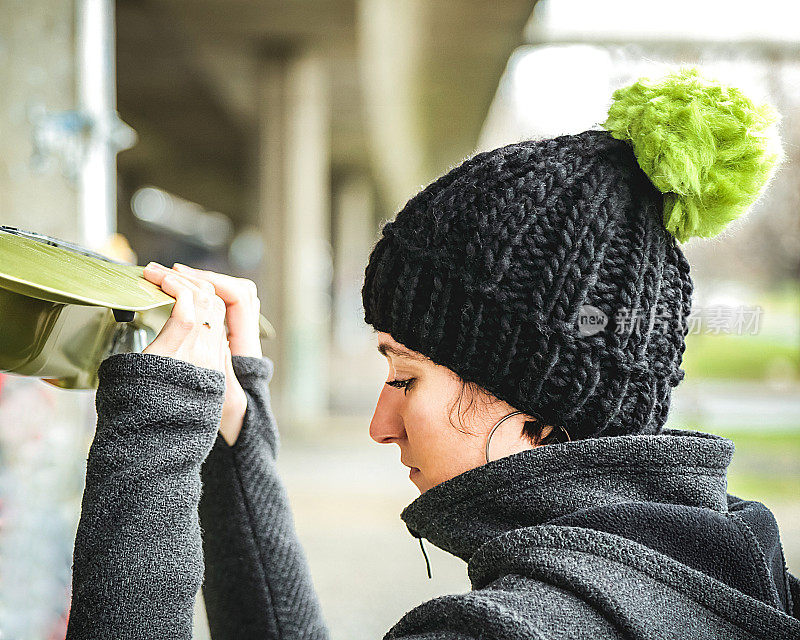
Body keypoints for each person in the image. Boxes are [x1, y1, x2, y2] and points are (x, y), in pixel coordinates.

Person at [63, 67, 800, 639]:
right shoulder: (729, 567)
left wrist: (154, 430)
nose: (381, 424)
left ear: (534, 399)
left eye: (406, 376)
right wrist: (235, 436)